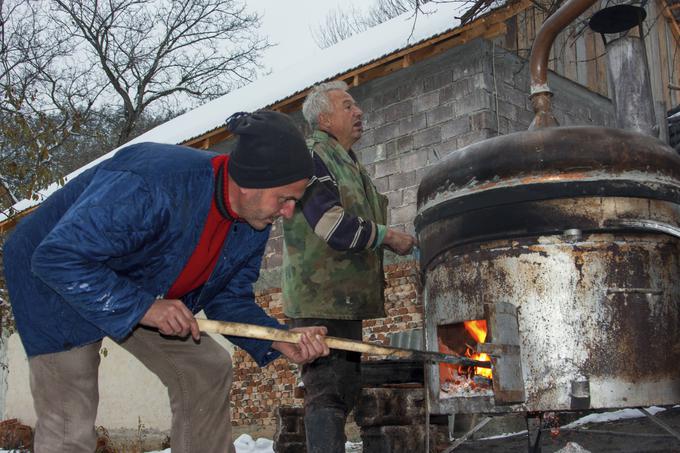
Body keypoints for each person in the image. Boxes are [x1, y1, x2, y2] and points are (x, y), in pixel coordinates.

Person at [3, 110, 330, 453]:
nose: (289, 212)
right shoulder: (153, 183)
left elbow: (229, 300)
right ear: (250, 184)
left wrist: (278, 338)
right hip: (56, 278)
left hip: (141, 285)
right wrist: (145, 307)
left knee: (205, 368)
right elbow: (57, 256)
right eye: (285, 199)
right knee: (71, 415)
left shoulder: (252, 222)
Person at [281, 81, 417, 452]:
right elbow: (331, 225)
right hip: (317, 302)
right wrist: (389, 236)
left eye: (356, 105)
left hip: (342, 301)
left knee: (343, 390)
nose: (359, 112)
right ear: (324, 118)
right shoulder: (311, 158)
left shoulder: (350, 164)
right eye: (348, 106)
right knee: (327, 393)